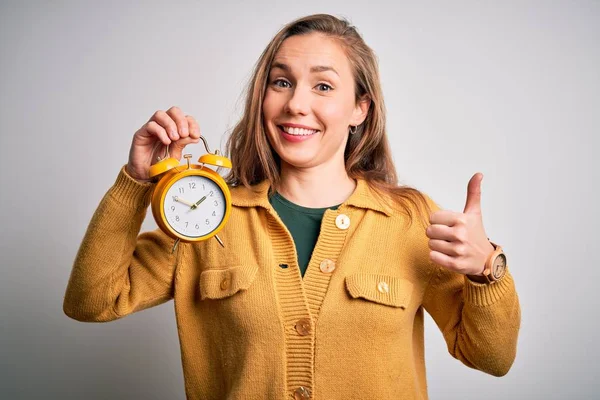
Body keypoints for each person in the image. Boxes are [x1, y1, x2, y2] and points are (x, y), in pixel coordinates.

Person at [63, 13, 521, 400]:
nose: (296, 104)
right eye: (281, 82)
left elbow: (491, 358)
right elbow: (92, 301)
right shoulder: (208, 215)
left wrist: (488, 268)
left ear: (360, 108)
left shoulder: (409, 220)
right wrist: (137, 182)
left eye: (323, 87)